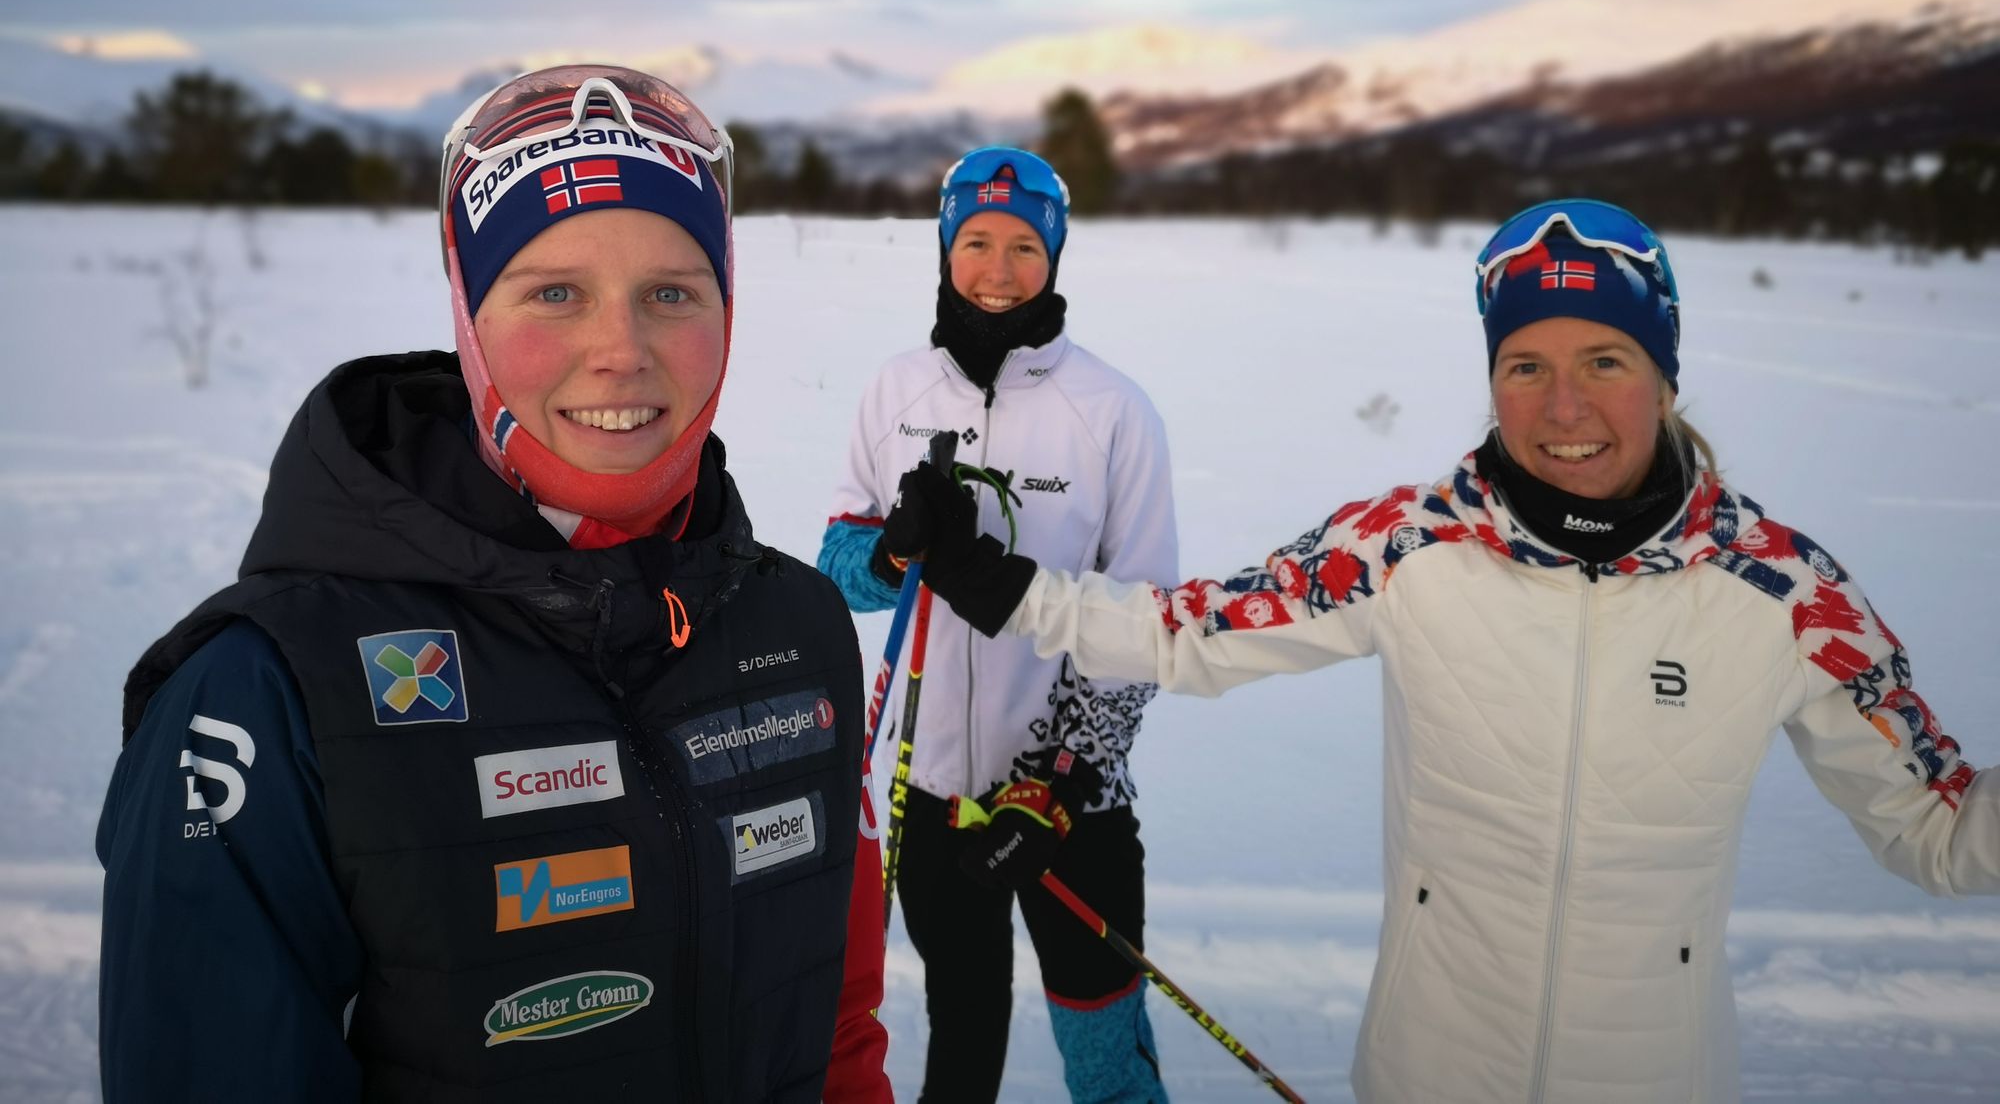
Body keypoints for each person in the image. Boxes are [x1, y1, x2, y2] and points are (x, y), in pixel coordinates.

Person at [885, 197, 2000, 1104]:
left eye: (1603, 359)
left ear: (1663, 375)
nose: (1564, 404)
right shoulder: (1406, 545)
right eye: (1524, 365)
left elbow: (1940, 832)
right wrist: (998, 583)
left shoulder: (1784, 591)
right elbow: (1184, 634)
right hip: (1427, 1072)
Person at [97, 65, 892, 1102]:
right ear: (469, 316)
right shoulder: (265, 693)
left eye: (671, 293)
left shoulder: (797, 625)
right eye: (553, 292)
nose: (621, 350)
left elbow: (833, 1031)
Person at [817, 146, 1176, 1104]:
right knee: (960, 1027)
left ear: (1056, 255)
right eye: (976, 240)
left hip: (1074, 805)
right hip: (930, 790)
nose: (999, 267)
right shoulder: (897, 391)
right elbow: (836, 566)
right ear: (944, 247)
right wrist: (892, 557)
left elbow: (1145, 624)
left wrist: (1057, 781)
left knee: (1104, 1050)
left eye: (1025, 244)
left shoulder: (1111, 409)